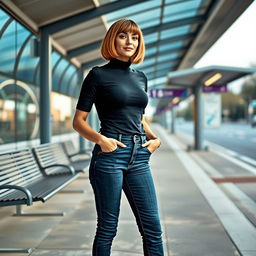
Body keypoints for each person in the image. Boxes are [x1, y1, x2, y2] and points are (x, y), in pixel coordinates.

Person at [73, 18, 164, 256]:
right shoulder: (97, 75)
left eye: (135, 37)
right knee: (107, 229)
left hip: (140, 158)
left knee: (153, 229)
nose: (130, 42)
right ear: (113, 39)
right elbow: (78, 122)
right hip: (110, 155)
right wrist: (101, 140)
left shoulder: (141, 77)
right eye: (123, 36)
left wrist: (154, 139)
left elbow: (138, 117)